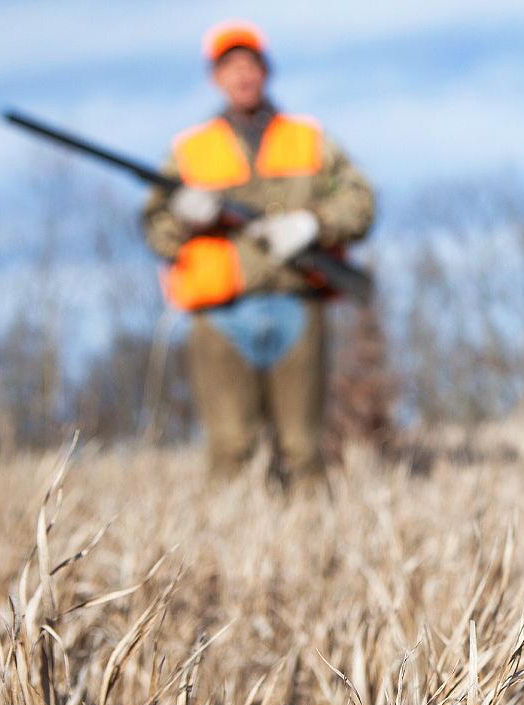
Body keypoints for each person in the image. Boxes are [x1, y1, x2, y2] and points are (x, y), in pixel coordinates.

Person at [142, 20, 374, 487]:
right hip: (221, 315)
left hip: (298, 302)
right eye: (230, 66)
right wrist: (185, 214)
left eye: (250, 64)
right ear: (215, 78)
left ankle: (313, 546)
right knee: (229, 451)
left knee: (304, 452)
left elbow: (361, 203)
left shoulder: (309, 137)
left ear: (266, 71)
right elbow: (155, 231)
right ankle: (221, 556)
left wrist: (313, 224)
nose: (242, 75)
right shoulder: (190, 150)